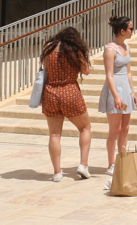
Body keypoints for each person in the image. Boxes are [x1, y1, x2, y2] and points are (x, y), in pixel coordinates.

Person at [40, 26, 93, 181]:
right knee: (85, 128)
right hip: (70, 91)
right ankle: (83, 165)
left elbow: (46, 68)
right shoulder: (74, 50)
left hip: (50, 91)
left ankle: (57, 172)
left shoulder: (48, 47)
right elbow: (86, 70)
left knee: (55, 134)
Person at [99, 14, 137, 176]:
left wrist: (132, 91)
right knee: (115, 130)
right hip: (114, 90)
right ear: (122, 31)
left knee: (125, 128)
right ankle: (111, 164)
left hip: (125, 90)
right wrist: (115, 96)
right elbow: (109, 75)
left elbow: (128, 72)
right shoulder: (110, 49)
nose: (132, 31)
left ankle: (122, 158)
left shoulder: (127, 47)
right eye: (130, 28)